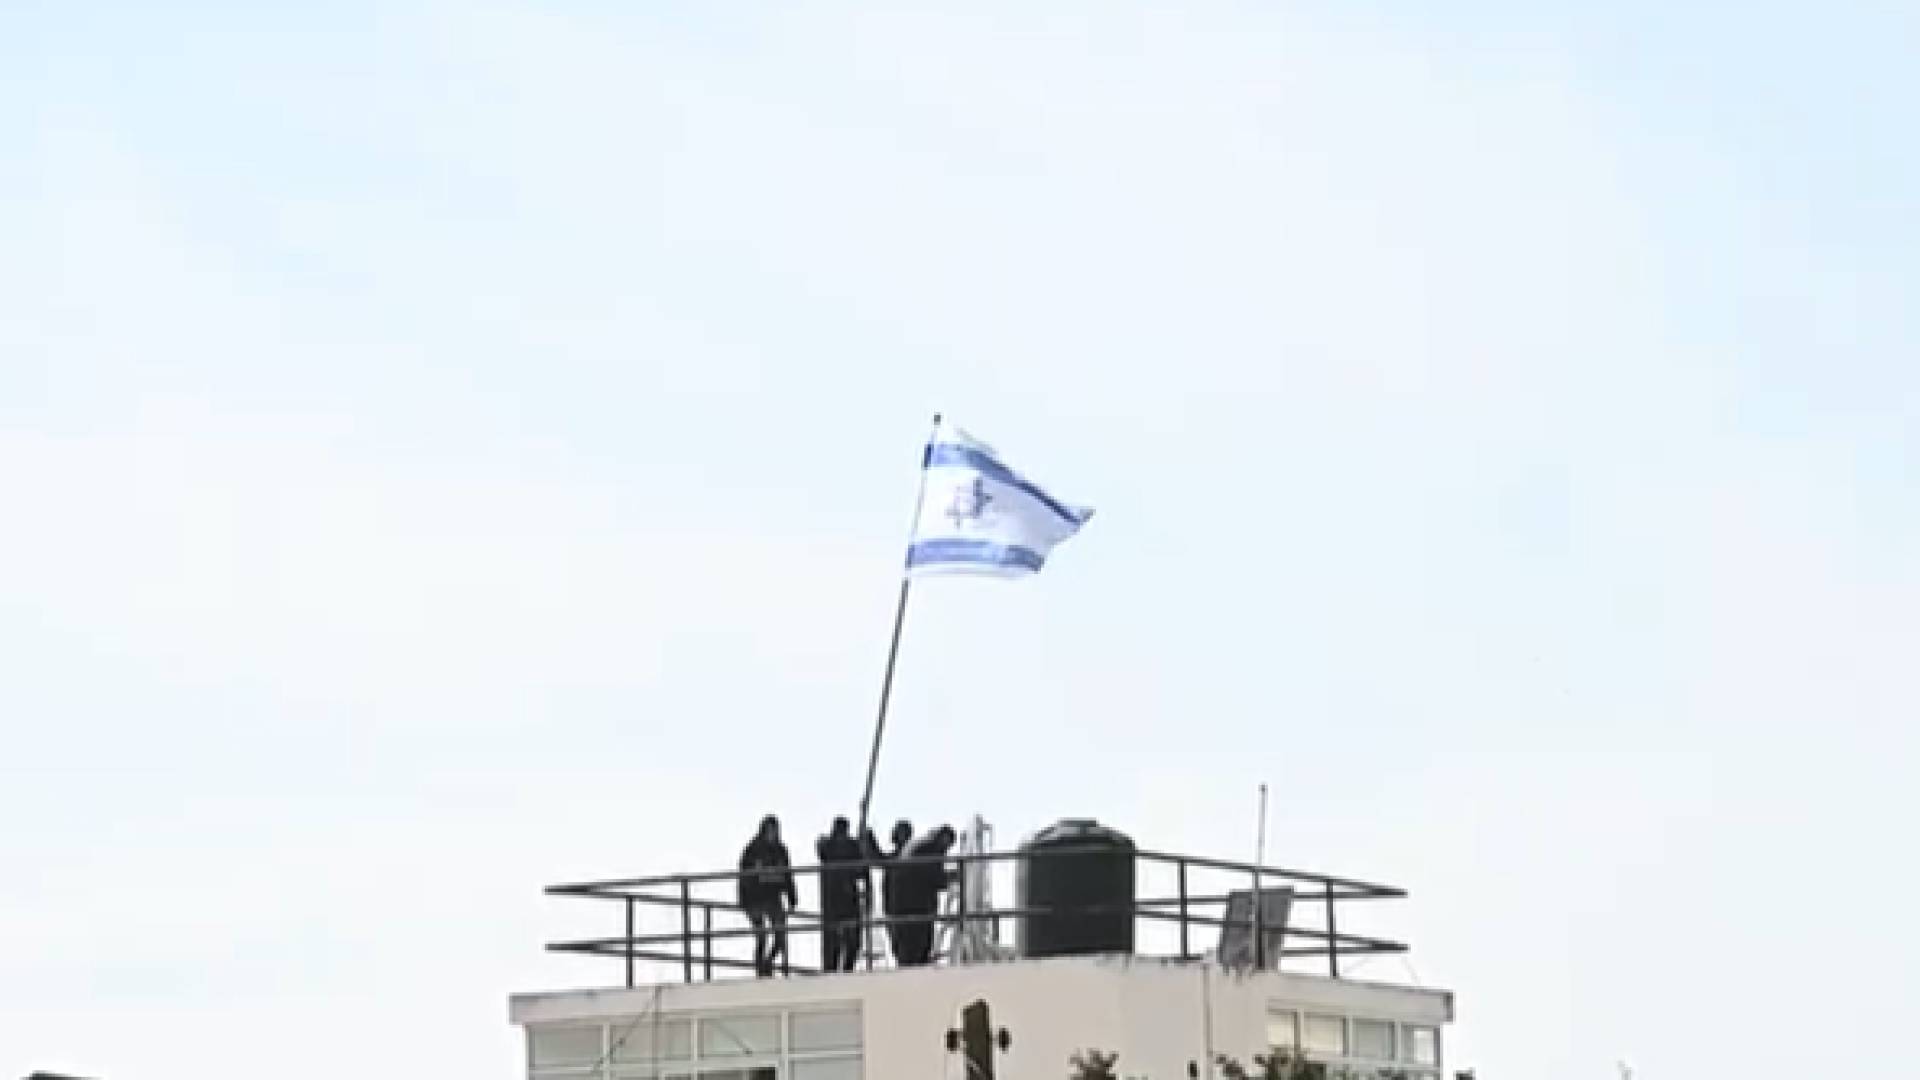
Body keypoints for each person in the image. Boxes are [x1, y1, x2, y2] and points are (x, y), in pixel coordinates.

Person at [738, 814, 796, 977]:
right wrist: (745, 901)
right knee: (761, 936)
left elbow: (788, 875)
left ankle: (768, 962)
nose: (773, 834)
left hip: (773, 898)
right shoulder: (752, 850)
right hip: (754, 899)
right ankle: (760, 971)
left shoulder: (781, 850)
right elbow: (744, 876)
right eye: (771, 830)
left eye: (775, 830)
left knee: (780, 936)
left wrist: (792, 898)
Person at [891, 824, 957, 967]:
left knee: (909, 946)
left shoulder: (919, 845)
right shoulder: (931, 850)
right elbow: (934, 878)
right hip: (917, 904)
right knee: (918, 946)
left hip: (903, 903)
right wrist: (951, 877)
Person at [815, 816, 866, 973]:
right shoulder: (828, 846)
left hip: (848, 897)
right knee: (833, 941)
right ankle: (832, 969)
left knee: (852, 941)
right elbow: (822, 850)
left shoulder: (853, 846)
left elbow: (862, 870)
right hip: (834, 898)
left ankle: (846, 968)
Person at [879, 819, 915, 965]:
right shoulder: (894, 857)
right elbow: (876, 857)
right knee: (899, 948)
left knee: (906, 949)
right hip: (893, 908)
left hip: (904, 908)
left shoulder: (909, 858)